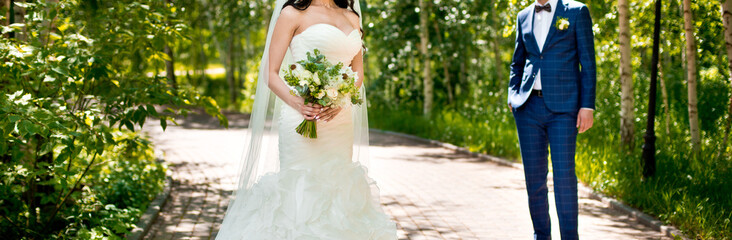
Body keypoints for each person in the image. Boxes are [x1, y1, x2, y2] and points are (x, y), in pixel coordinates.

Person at [215, 0, 396, 239]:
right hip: (301, 117)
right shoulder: (292, 14)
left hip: (339, 121)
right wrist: (299, 103)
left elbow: (357, 71)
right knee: (299, 189)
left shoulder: (352, 16)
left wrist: (342, 101)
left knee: (338, 186)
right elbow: (271, 74)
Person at [507, 0, 597, 239]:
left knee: (564, 177)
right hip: (527, 108)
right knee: (534, 179)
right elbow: (517, 62)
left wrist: (587, 105)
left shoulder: (577, 12)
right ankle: (541, 235)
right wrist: (513, 95)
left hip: (564, 108)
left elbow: (587, 63)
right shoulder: (523, 15)